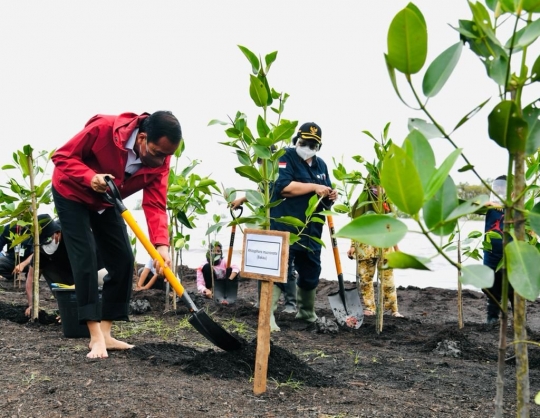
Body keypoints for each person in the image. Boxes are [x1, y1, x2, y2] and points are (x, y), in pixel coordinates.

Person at [51, 110, 182, 359]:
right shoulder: (104, 129)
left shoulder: (160, 162)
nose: (162, 161)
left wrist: (162, 246)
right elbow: (62, 156)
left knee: (122, 258)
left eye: (168, 156)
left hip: (107, 199)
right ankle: (94, 337)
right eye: (157, 153)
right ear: (142, 138)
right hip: (72, 192)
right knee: (86, 258)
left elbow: (155, 205)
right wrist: (91, 177)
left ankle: (107, 333)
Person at [269, 122, 337, 331]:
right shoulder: (284, 157)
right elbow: (284, 188)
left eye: (313, 144)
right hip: (285, 227)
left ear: (319, 146)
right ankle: (268, 315)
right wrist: (315, 187)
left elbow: (324, 197)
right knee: (278, 272)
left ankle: (306, 312)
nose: (308, 146)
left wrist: (330, 195)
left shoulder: (321, 165)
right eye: (304, 142)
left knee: (311, 271)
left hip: (311, 231)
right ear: (297, 140)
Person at [22, 214, 109, 317]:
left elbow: (87, 271)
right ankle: (65, 303)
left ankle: (95, 308)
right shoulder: (41, 251)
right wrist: (32, 305)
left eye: (47, 241)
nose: (45, 246)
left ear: (57, 233)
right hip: (67, 273)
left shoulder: (74, 235)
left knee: (103, 281)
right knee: (45, 269)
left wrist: (76, 309)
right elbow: (32, 277)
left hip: (96, 270)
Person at [346, 183, 403, 318]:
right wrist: (353, 245)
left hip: (385, 246)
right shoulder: (362, 202)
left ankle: (393, 309)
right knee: (365, 279)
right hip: (365, 247)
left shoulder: (387, 203)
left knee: (388, 280)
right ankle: (369, 307)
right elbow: (356, 225)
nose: (377, 190)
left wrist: (397, 248)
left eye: (380, 186)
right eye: (373, 186)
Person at [482, 175, 513, 324]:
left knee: (514, 291)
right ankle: (492, 319)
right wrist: (488, 204)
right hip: (491, 256)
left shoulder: (517, 210)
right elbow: (475, 205)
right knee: (491, 290)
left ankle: (519, 321)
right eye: (497, 189)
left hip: (512, 258)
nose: (500, 192)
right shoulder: (489, 208)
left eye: (504, 189)